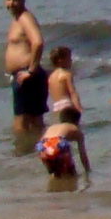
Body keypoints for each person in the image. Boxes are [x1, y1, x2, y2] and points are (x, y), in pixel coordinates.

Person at [38, 47, 88, 183]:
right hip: (67, 105)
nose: (71, 61)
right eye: (69, 58)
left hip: (56, 108)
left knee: (58, 136)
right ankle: (72, 174)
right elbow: (72, 92)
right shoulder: (66, 74)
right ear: (61, 60)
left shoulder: (51, 77)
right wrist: (79, 107)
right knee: (72, 137)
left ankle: (57, 179)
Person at [4, 0, 42, 142]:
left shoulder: (25, 18)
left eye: (15, 0)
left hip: (26, 76)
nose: (11, 3)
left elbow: (38, 42)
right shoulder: (17, 19)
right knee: (33, 122)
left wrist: (31, 71)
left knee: (21, 124)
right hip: (22, 76)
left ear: (23, 0)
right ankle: (38, 151)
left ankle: (23, 155)